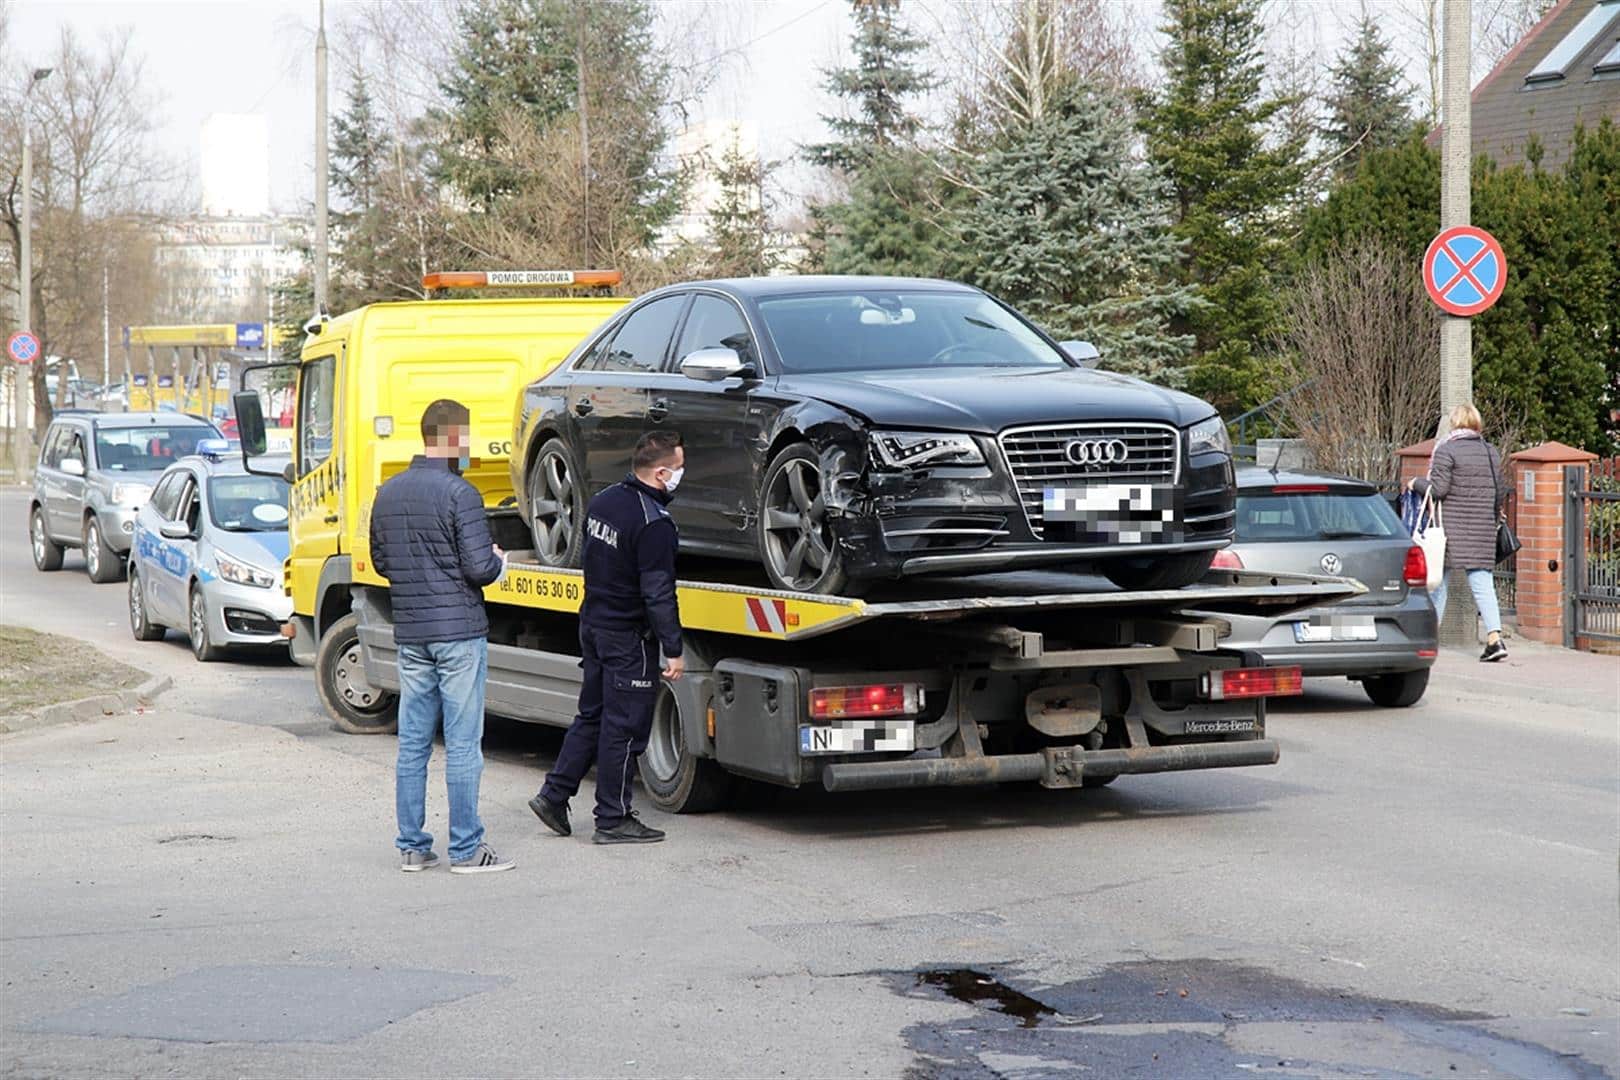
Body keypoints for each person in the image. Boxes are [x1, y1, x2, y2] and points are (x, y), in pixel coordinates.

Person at [370, 398, 514, 873]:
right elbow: (479, 567)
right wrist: (499, 562)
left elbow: (382, 563)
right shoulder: (461, 494)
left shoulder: (388, 492)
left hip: (412, 633)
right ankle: (467, 849)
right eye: (466, 438)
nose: (468, 447)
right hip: (458, 634)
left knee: (413, 743)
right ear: (453, 438)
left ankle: (412, 846)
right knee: (462, 742)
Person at [530, 430, 686, 845]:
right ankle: (613, 818)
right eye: (679, 469)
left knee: (592, 716)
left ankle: (553, 795)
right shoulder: (654, 524)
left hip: (595, 625)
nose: (681, 476)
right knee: (626, 728)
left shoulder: (603, 502)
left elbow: (590, 563)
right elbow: (658, 594)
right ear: (661, 472)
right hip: (627, 637)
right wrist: (673, 649)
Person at [1412, 403, 1512, 662]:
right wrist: (1490, 519)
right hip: (1481, 529)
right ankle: (1494, 639)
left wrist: (1416, 483)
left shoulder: (1446, 450)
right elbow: (1499, 490)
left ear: (1454, 423)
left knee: (1438, 584)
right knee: (1482, 584)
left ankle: (1428, 640)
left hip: (1450, 530)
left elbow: (1439, 489)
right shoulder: (1489, 451)